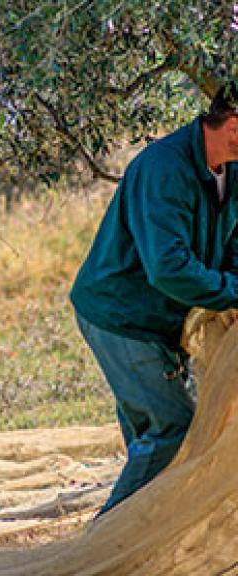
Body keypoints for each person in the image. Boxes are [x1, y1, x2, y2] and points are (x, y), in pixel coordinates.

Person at [71, 86, 238, 517]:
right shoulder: (165, 168)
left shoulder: (233, 169)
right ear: (234, 125)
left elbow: (235, 240)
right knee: (172, 430)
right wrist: (233, 292)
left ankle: (141, 539)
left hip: (158, 319)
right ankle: (107, 546)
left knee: (152, 438)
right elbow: (168, 268)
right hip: (122, 316)